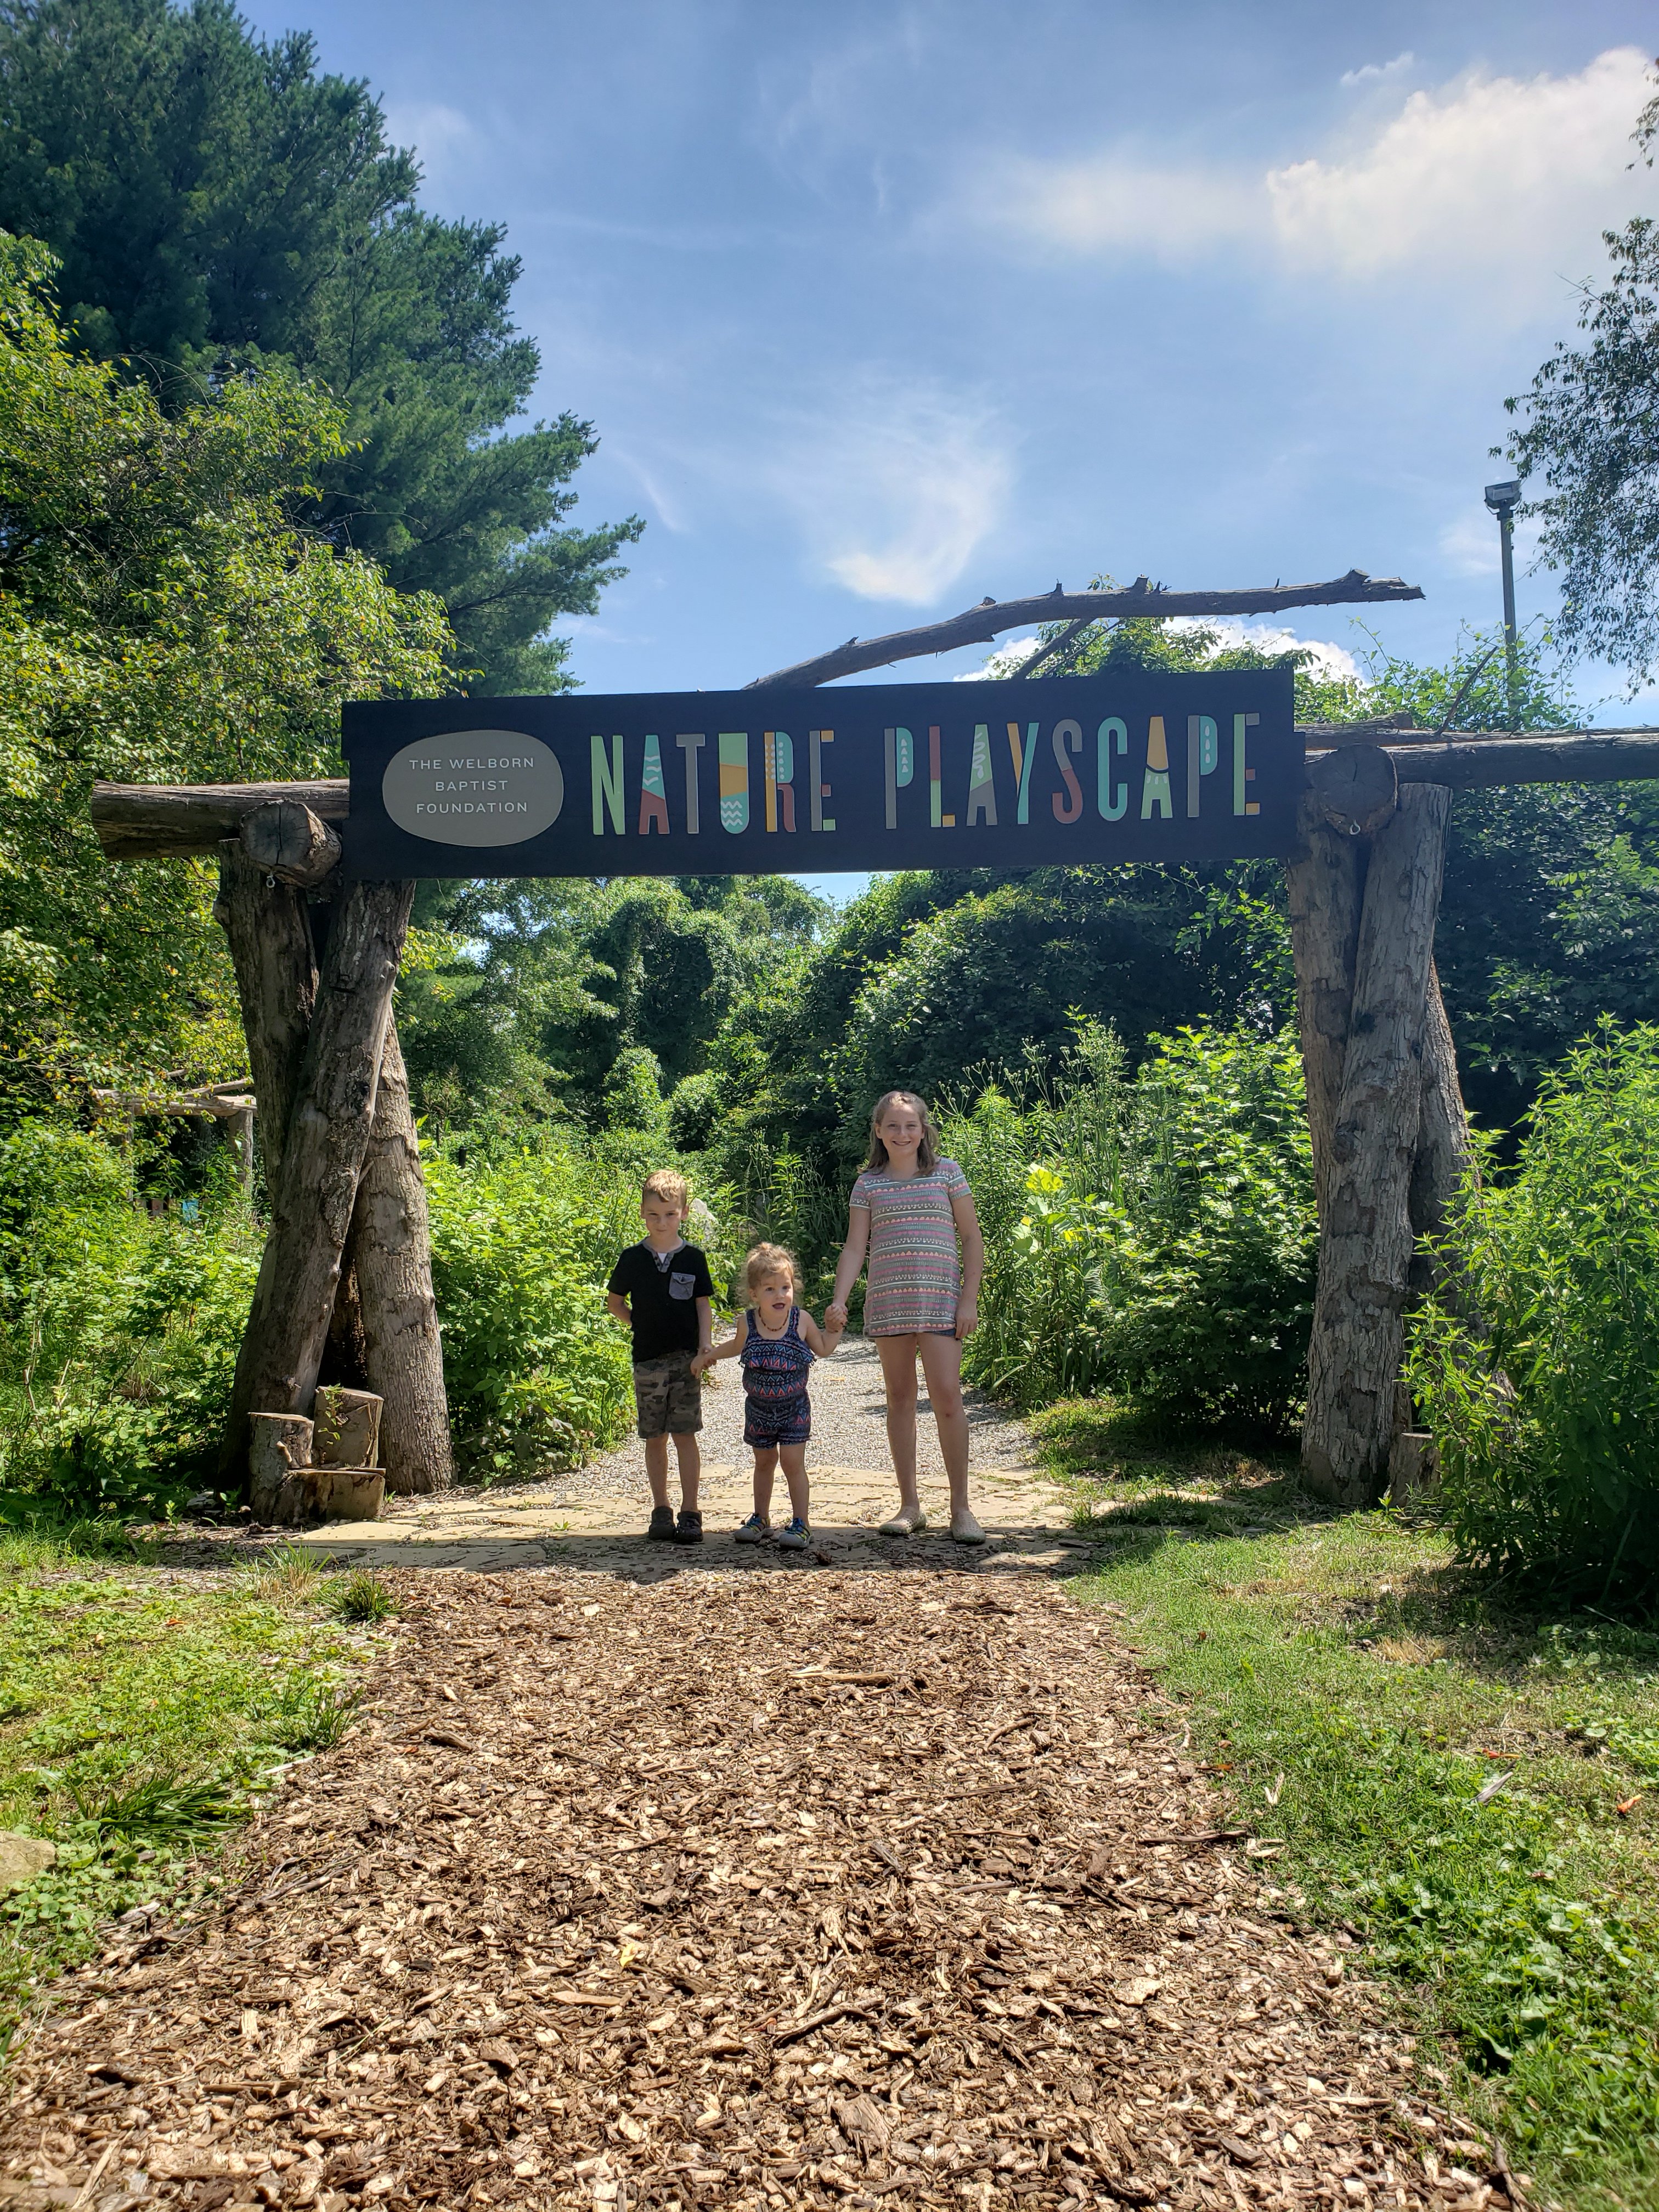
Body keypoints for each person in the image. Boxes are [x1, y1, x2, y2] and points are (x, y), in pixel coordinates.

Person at [825, 1090, 986, 1544]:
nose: (902, 1133)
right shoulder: (868, 1183)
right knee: (899, 1398)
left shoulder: (947, 1173)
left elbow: (972, 1237)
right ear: (878, 1131)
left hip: (940, 1303)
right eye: (892, 1126)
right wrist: (840, 1299)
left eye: (910, 1125)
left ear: (924, 1129)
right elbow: (856, 1246)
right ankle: (910, 1506)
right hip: (889, 1302)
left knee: (948, 1398)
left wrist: (968, 1300)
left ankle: (961, 1509)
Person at [695, 1243, 843, 1549]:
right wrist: (706, 1357)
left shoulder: (801, 1321)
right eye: (770, 1289)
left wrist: (834, 1328)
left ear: (793, 1288)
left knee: (791, 1462)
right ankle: (761, 1517)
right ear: (754, 1294)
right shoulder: (748, 1324)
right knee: (763, 1463)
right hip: (759, 1410)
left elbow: (825, 1349)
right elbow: (734, 1347)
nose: (780, 1295)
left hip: (794, 1409)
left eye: (785, 1288)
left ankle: (801, 1522)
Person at [605, 1169, 715, 1545]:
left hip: (686, 1360)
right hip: (648, 1361)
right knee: (655, 1437)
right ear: (642, 1214)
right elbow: (614, 1302)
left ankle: (690, 1511)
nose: (662, 1222)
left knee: (685, 1435)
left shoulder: (694, 1259)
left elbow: (703, 1308)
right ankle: (661, 1509)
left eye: (670, 1214)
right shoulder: (633, 1259)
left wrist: (705, 1348)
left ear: (684, 1213)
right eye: (654, 1215)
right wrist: (639, 1323)